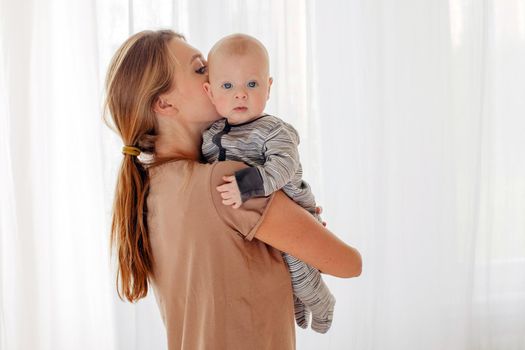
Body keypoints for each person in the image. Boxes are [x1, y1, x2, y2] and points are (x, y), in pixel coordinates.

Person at [105, 29, 362, 350]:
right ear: (164, 103)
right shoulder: (228, 184)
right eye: (201, 69)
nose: (218, 76)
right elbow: (349, 264)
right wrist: (300, 222)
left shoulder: (150, 188)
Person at [202, 34, 335, 334]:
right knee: (275, 272)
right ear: (210, 92)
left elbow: (284, 166)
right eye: (228, 86)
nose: (240, 95)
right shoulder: (210, 134)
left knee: (298, 265)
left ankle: (322, 302)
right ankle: (299, 308)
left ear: (268, 87)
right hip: (250, 220)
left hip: (289, 207)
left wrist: (245, 185)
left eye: (252, 84)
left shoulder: (273, 130)